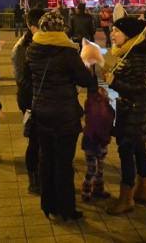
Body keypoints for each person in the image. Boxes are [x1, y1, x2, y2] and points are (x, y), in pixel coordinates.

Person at [23, 12, 93, 220]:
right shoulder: (67, 53)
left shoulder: (32, 50)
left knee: (45, 158)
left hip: (41, 112)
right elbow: (85, 80)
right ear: (62, 29)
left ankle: (48, 204)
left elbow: (26, 80)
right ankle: (66, 208)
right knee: (63, 162)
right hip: (64, 115)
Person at [103, 17, 146, 215]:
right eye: (112, 30)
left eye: (116, 31)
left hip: (135, 112)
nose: (112, 34)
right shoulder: (130, 52)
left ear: (129, 34)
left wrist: (113, 82)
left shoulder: (139, 56)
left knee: (127, 152)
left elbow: (140, 87)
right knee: (139, 148)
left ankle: (126, 198)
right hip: (134, 110)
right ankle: (142, 191)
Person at [11, 7, 47, 195]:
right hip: (29, 100)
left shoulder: (46, 44)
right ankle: (33, 179)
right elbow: (20, 80)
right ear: (33, 27)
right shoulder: (21, 48)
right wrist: (40, 92)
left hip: (46, 99)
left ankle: (45, 173)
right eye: (44, 26)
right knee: (34, 140)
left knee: (45, 139)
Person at [80, 68, 115, 202]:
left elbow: (111, 122)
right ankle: (86, 190)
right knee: (92, 169)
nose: (102, 91)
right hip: (91, 141)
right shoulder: (91, 102)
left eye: (104, 90)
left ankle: (98, 189)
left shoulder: (109, 106)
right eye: (99, 89)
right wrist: (92, 70)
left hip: (102, 141)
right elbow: (92, 85)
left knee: (100, 168)